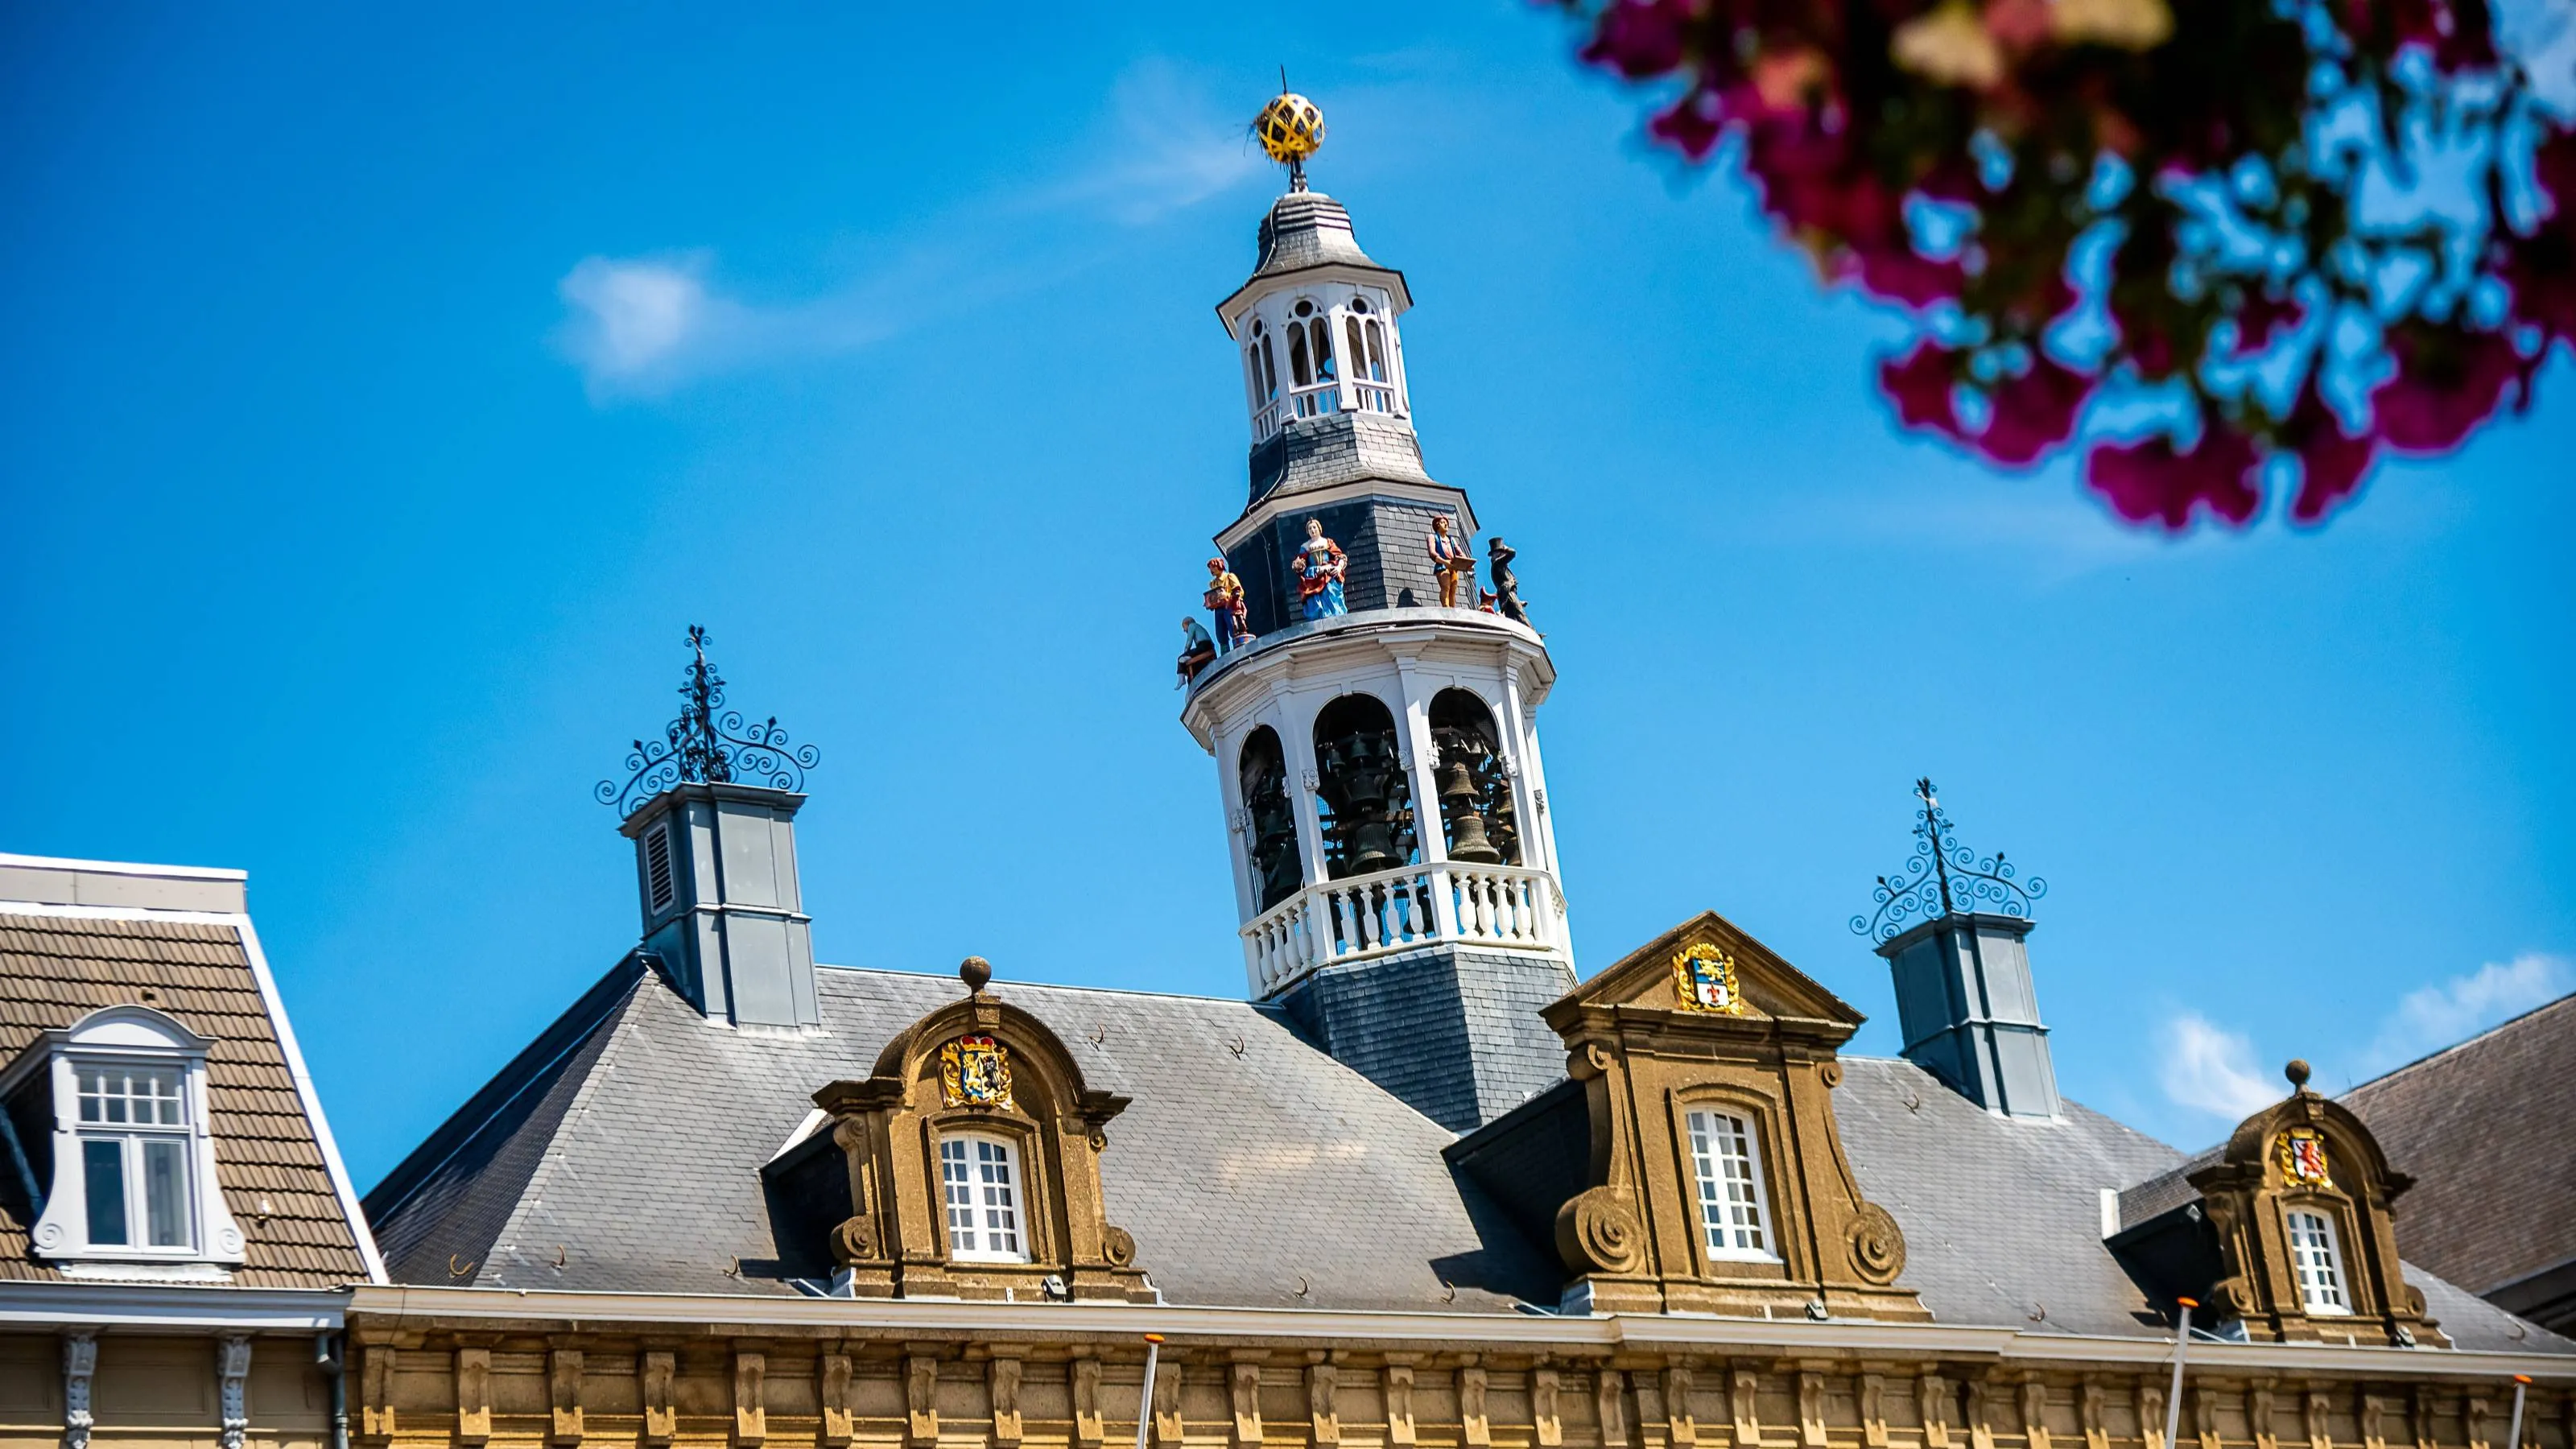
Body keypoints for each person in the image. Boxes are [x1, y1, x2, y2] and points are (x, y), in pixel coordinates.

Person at [1295, 518, 1348, 620]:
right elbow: (1301, 565)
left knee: (1330, 592)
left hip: (1328, 573)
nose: (1312, 530)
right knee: (1315, 599)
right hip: (1313, 575)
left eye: (1314, 527)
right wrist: (1298, 565)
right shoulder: (1305, 546)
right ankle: (1320, 617)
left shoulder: (1328, 542)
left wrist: (1338, 567)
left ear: (1319, 529)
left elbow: (1340, 556)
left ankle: (1335, 615)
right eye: (1310, 529)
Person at [1203, 557, 1253, 651]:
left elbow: (1240, 592)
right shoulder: (1213, 583)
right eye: (1210, 568)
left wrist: (1227, 595)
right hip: (1218, 609)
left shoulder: (1229, 577)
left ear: (1219, 566)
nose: (1211, 570)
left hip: (1229, 606)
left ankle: (1240, 649)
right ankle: (1225, 653)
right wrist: (1210, 603)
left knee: (1234, 627)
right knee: (1220, 633)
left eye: (1213, 567)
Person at [1427, 514, 1475, 609]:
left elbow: (1460, 553)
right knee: (1446, 587)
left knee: (1453, 589)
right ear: (1437, 525)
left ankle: (1452, 610)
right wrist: (1445, 562)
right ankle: (1446, 607)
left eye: (1446, 523)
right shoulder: (1433, 537)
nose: (1445, 525)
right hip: (1442, 565)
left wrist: (1467, 564)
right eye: (1442, 523)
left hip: (1454, 566)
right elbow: (1432, 553)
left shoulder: (1451, 539)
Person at [1486, 535, 1531, 629]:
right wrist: (1506, 549)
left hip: (1505, 594)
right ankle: (1532, 631)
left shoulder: (1499, 566)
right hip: (1507, 593)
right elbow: (1512, 553)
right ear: (1499, 554)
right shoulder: (1498, 563)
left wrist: (1518, 602)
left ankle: (1520, 632)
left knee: (1512, 618)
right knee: (1519, 613)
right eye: (1502, 553)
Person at [1176, 616, 1216, 687]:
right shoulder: (1198, 627)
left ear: (1187, 623)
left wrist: (1186, 652)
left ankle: (1181, 678)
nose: (1184, 630)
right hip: (1206, 646)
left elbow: (1189, 641)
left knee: (1181, 658)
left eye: (1184, 627)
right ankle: (1188, 679)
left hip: (1204, 646)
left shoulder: (1192, 626)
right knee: (1190, 663)